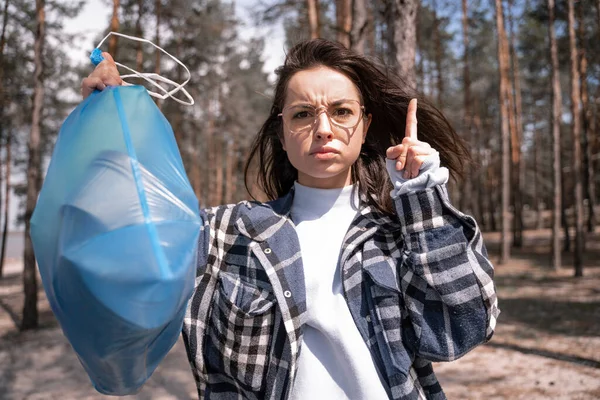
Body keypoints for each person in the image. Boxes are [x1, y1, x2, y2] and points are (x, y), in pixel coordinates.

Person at [81, 39, 499, 400]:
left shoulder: (398, 233)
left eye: (341, 111)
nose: (322, 128)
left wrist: (421, 198)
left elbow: (460, 330)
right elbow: (119, 252)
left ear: (366, 125)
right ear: (281, 135)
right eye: (302, 114)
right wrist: (108, 124)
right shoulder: (226, 235)